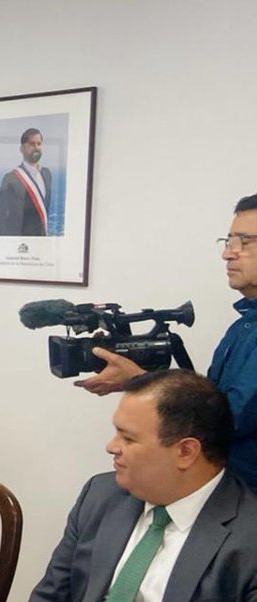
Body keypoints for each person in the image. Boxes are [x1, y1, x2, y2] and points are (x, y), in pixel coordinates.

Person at [21, 370, 257, 602]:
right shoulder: (101, 497)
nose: (111, 446)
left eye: (128, 437)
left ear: (185, 451)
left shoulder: (247, 541)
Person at [75, 194, 257, 489]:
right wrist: (141, 378)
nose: (228, 254)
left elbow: (227, 419)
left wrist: (142, 381)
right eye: (228, 241)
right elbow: (209, 402)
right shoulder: (243, 325)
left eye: (244, 242)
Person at [0, 127, 52, 237]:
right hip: (21, 246)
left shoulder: (47, 174)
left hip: (42, 246)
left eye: (39, 144)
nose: (36, 147)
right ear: (22, 148)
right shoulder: (11, 178)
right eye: (31, 144)